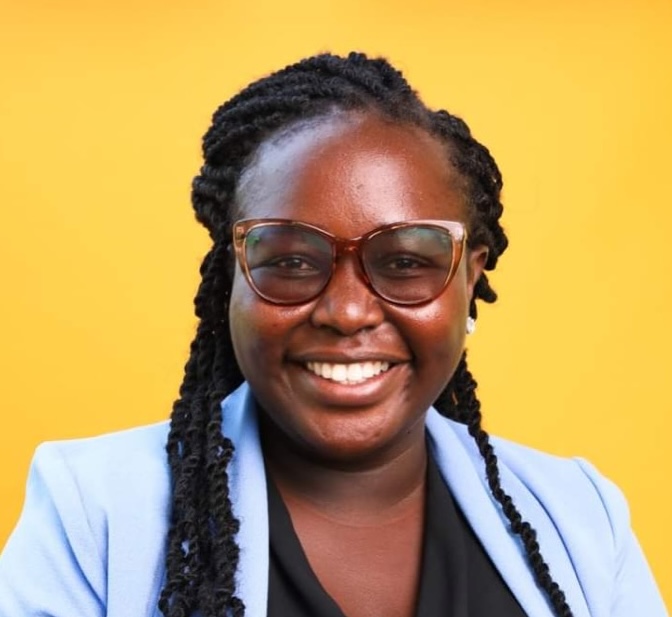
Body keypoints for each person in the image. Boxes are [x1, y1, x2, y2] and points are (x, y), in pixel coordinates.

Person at [0, 52, 666, 617]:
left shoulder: (581, 514)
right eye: (291, 259)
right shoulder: (92, 511)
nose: (346, 311)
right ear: (231, 276)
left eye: (406, 261)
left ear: (471, 277)